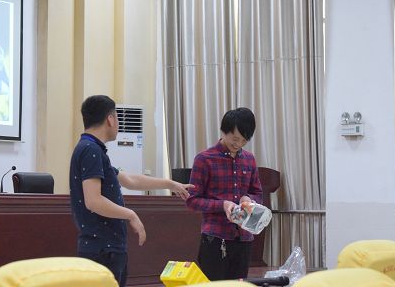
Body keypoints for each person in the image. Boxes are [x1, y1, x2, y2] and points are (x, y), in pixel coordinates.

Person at [69, 95, 193, 287]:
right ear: (110, 119)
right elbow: (93, 201)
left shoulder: (93, 149)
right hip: (102, 249)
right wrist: (131, 214)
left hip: (106, 248)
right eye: (117, 117)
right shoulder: (90, 150)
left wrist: (170, 184)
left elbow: (129, 180)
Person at [186, 107, 263, 281]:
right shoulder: (204, 159)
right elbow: (192, 201)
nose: (238, 144)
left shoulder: (249, 159)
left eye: (244, 140)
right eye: (235, 139)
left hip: (244, 238)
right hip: (215, 238)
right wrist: (223, 205)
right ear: (224, 131)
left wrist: (249, 199)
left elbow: (257, 193)